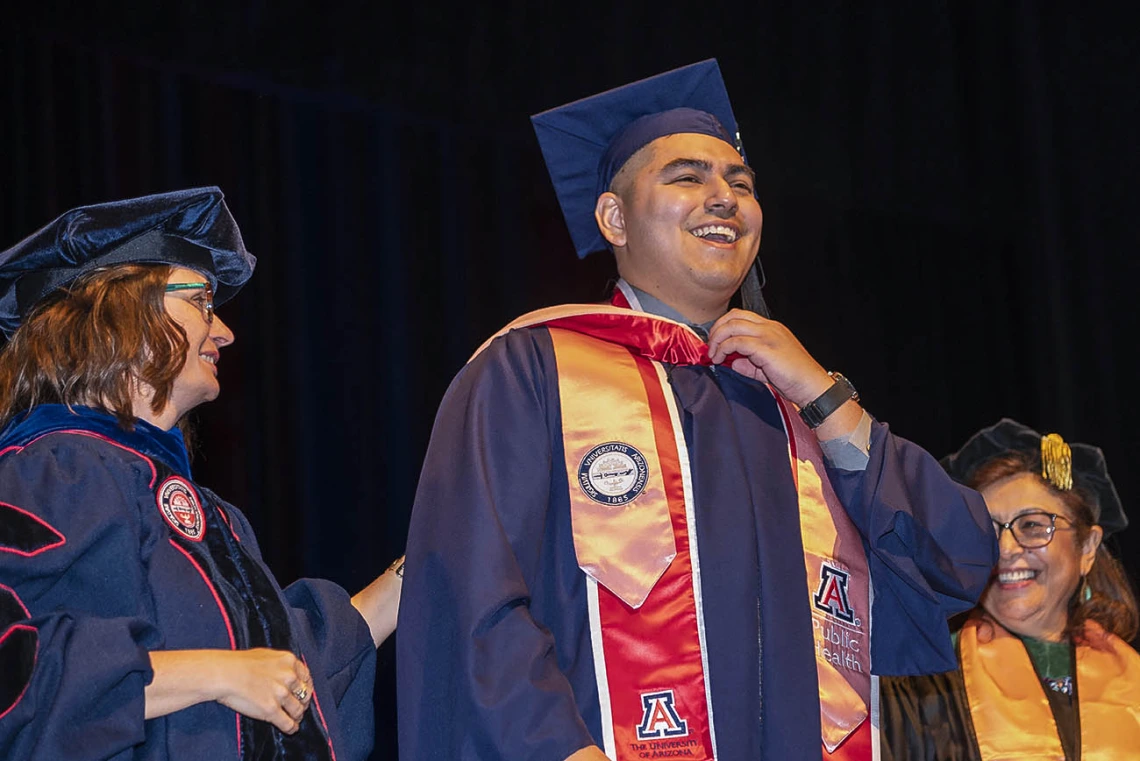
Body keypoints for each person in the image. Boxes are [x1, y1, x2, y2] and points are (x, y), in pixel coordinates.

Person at [396, 59, 998, 761]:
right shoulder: (532, 371)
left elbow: (957, 561)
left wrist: (829, 401)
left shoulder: (792, 407)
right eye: (688, 177)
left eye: (741, 184)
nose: (725, 198)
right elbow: (470, 603)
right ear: (613, 217)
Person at [0, 187, 403, 761]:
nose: (225, 333)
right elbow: (21, 671)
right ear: (119, 312)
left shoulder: (209, 512)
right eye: (201, 301)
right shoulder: (52, 471)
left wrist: (425, 564)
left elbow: (288, 666)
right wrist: (218, 674)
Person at [880, 419, 1140, 760]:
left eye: (1032, 525)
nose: (1003, 549)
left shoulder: (1133, 681)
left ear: (1087, 547)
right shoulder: (922, 682)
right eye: (985, 532)